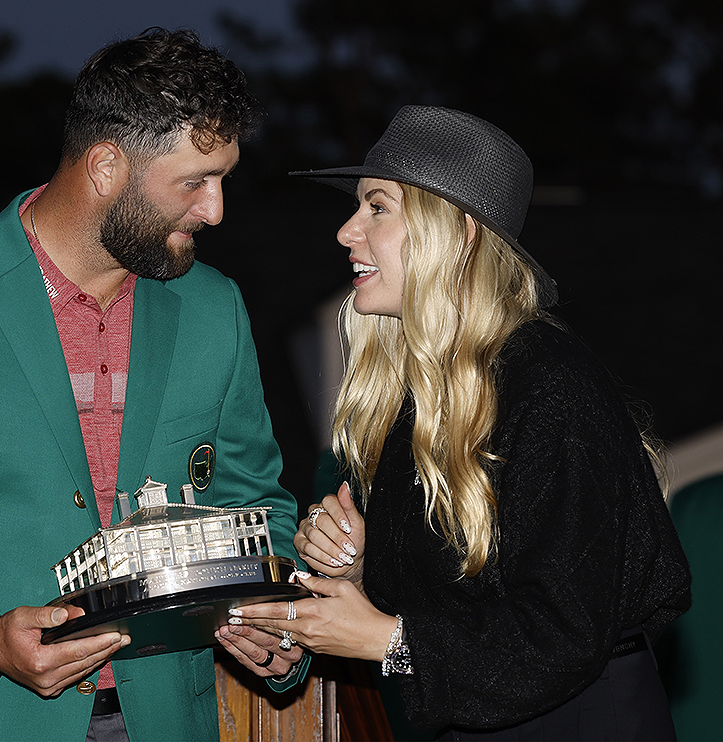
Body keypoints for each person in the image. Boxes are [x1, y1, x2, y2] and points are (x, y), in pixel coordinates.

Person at [0, 28, 304, 742]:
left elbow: (256, 501)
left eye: (223, 178)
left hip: (167, 716)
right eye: (194, 181)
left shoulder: (213, 306)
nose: (215, 210)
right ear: (106, 166)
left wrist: (273, 619)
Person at [227, 105, 691, 739]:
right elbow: (470, 594)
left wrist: (390, 639)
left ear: (460, 231)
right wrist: (360, 566)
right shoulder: (416, 395)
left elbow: (566, 630)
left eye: (378, 207)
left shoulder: (550, 384)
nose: (346, 231)